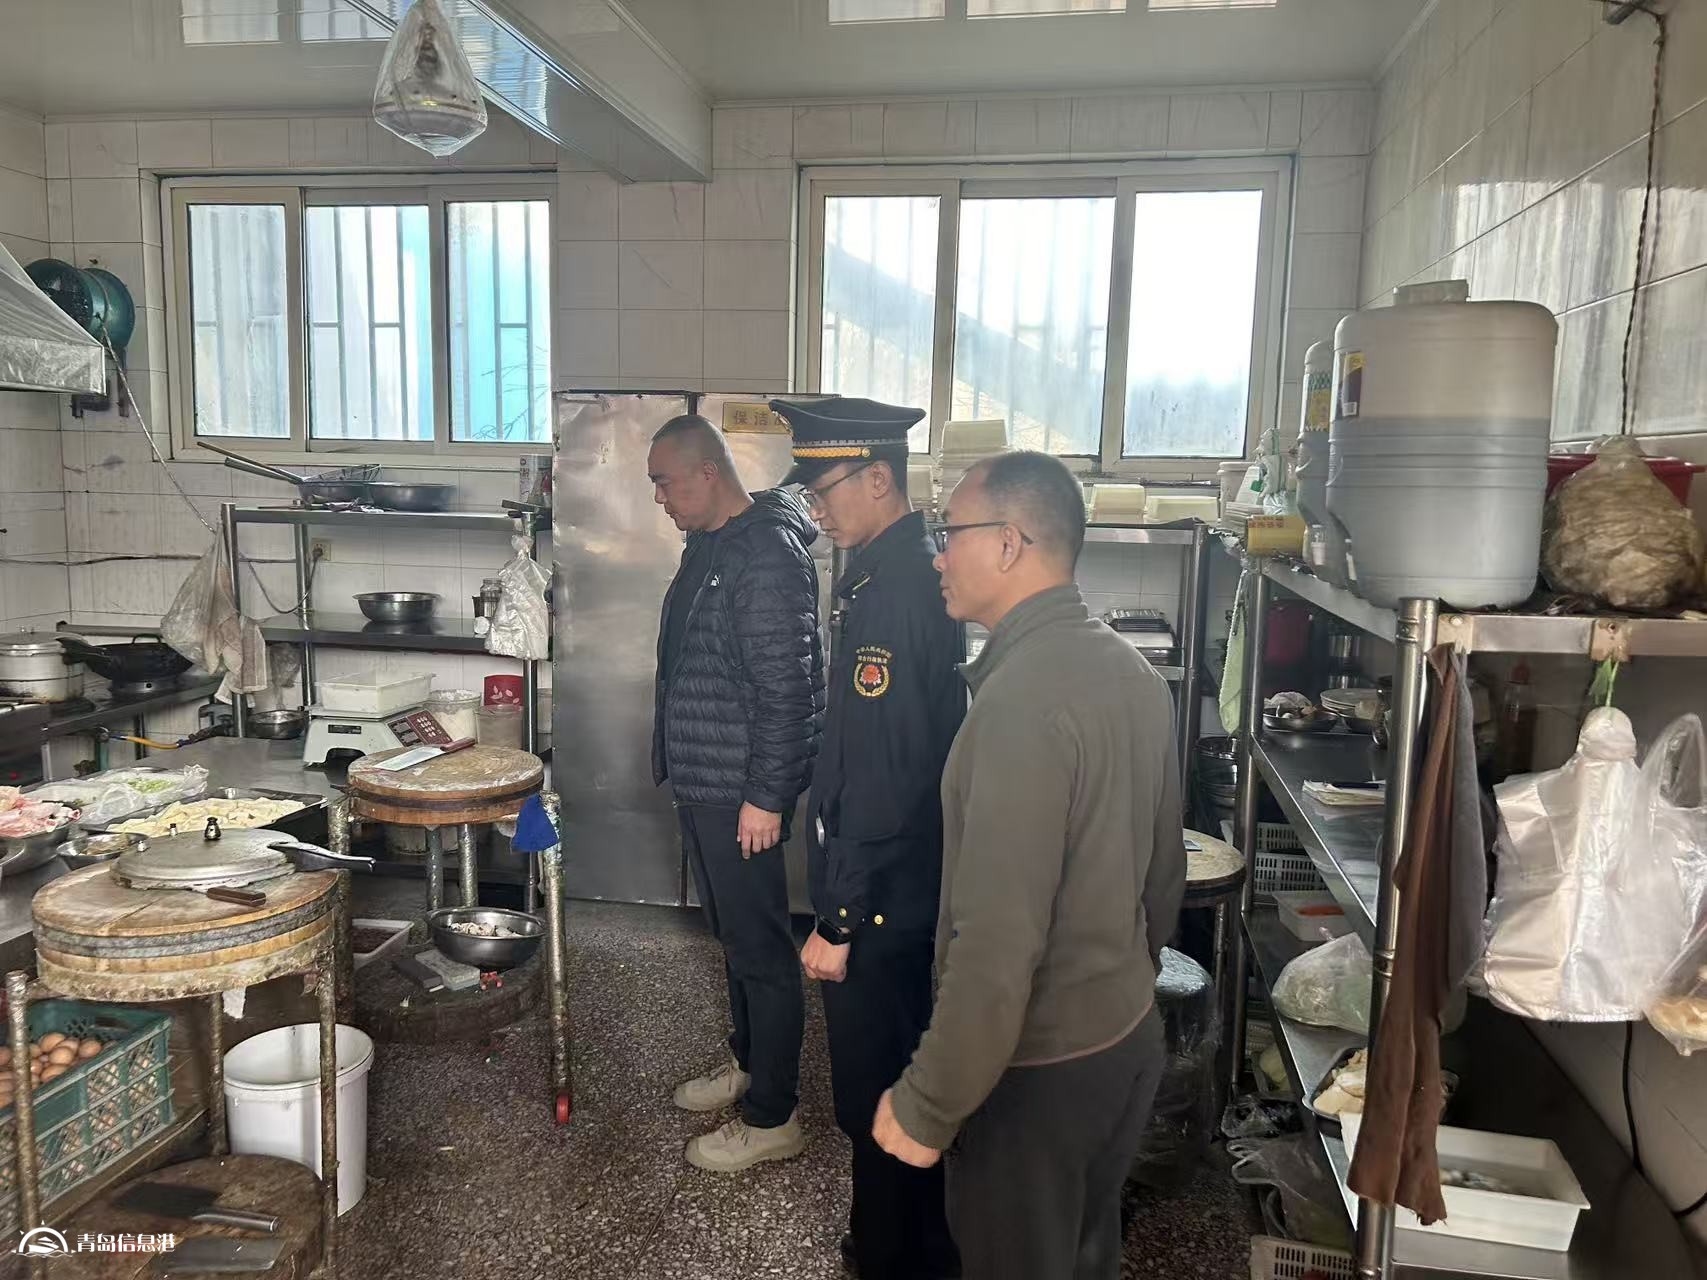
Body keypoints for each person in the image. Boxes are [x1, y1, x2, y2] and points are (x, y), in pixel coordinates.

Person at [870, 450, 1186, 1280]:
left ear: (1008, 543)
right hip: (1124, 1039)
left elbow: (996, 944)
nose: (937, 555)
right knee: (1083, 1253)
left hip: (1038, 1073)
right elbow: (1163, 879)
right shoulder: (1131, 673)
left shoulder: (1017, 706)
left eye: (949, 533)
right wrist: (1117, 984)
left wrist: (929, 1100)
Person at [770, 397, 965, 1280]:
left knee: (878, 1087)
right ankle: (899, 1244)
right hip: (900, 883)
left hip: (882, 898)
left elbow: (884, 779)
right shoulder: (888, 575)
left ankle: (892, 1258)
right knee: (892, 1079)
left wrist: (838, 919)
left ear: (879, 479)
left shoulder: (893, 593)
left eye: (825, 492)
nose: (817, 511)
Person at [648, 413, 826, 1172]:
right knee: (735, 939)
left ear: (707, 472)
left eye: (665, 483)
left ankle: (773, 1116)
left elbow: (790, 691)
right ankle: (751, 1062)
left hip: (739, 792)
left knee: (762, 949)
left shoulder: (765, 556)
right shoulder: (712, 544)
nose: (659, 498)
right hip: (706, 778)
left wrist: (766, 797)